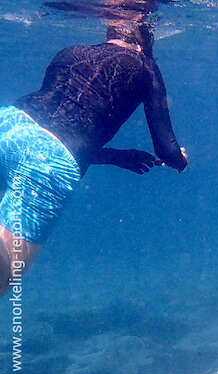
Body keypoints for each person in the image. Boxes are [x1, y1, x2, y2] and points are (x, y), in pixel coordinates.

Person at [0, 4, 186, 294]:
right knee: (2, 278)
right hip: (48, 164)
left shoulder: (71, 52)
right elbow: (167, 148)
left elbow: (49, 125)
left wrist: (116, 157)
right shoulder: (145, 68)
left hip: (9, 124)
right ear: (147, 33)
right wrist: (179, 160)